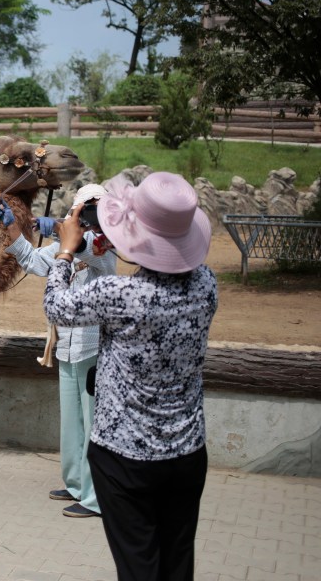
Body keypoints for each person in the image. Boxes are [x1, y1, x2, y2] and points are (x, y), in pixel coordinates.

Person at [42, 172, 217, 581]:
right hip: (187, 450)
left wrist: (67, 252)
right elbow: (168, 267)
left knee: (139, 566)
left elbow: (57, 306)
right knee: (176, 563)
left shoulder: (119, 296)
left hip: (124, 458)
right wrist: (118, 244)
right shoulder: (207, 286)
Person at [2, 184, 115, 519]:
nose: (82, 217)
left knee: (95, 424)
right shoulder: (74, 240)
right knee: (73, 423)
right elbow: (35, 262)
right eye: (80, 210)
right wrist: (13, 226)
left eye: (86, 211)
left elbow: (81, 247)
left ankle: (97, 499)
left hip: (93, 346)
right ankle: (78, 483)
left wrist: (57, 227)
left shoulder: (105, 244)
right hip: (66, 345)